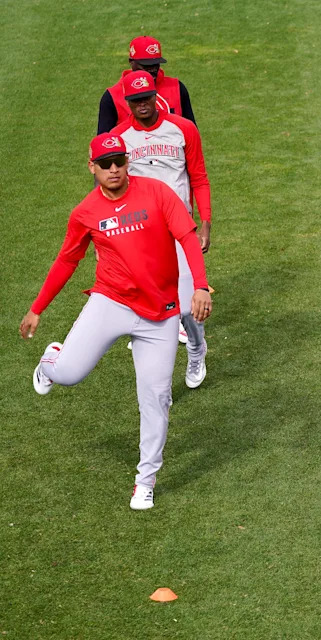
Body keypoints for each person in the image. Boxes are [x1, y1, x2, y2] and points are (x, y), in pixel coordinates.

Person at [20, 133, 212, 509]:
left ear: (127, 163)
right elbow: (67, 261)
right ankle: (51, 362)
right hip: (112, 302)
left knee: (156, 398)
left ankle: (145, 479)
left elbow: (188, 239)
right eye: (105, 163)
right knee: (69, 374)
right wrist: (37, 308)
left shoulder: (157, 193)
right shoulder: (85, 213)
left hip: (160, 313)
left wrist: (201, 286)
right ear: (92, 167)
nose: (113, 169)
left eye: (119, 162)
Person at [111, 70, 212, 388]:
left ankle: (196, 348)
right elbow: (112, 188)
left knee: (186, 304)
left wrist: (205, 222)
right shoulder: (120, 137)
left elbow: (198, 176)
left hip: (180, 229)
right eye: (135, 100)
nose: (142, 104)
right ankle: (154, 374)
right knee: (142, 304)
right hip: (140, 232)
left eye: (147, 97)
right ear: (127, 102)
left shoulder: (183, 130)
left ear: (157, 95)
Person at [97, 36, 197, 135]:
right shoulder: (112, 96)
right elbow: (104, 142)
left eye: (155, 64)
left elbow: (191, 130)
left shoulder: (177, 88)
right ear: (131, 62)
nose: (152, 70)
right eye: (146, 66)